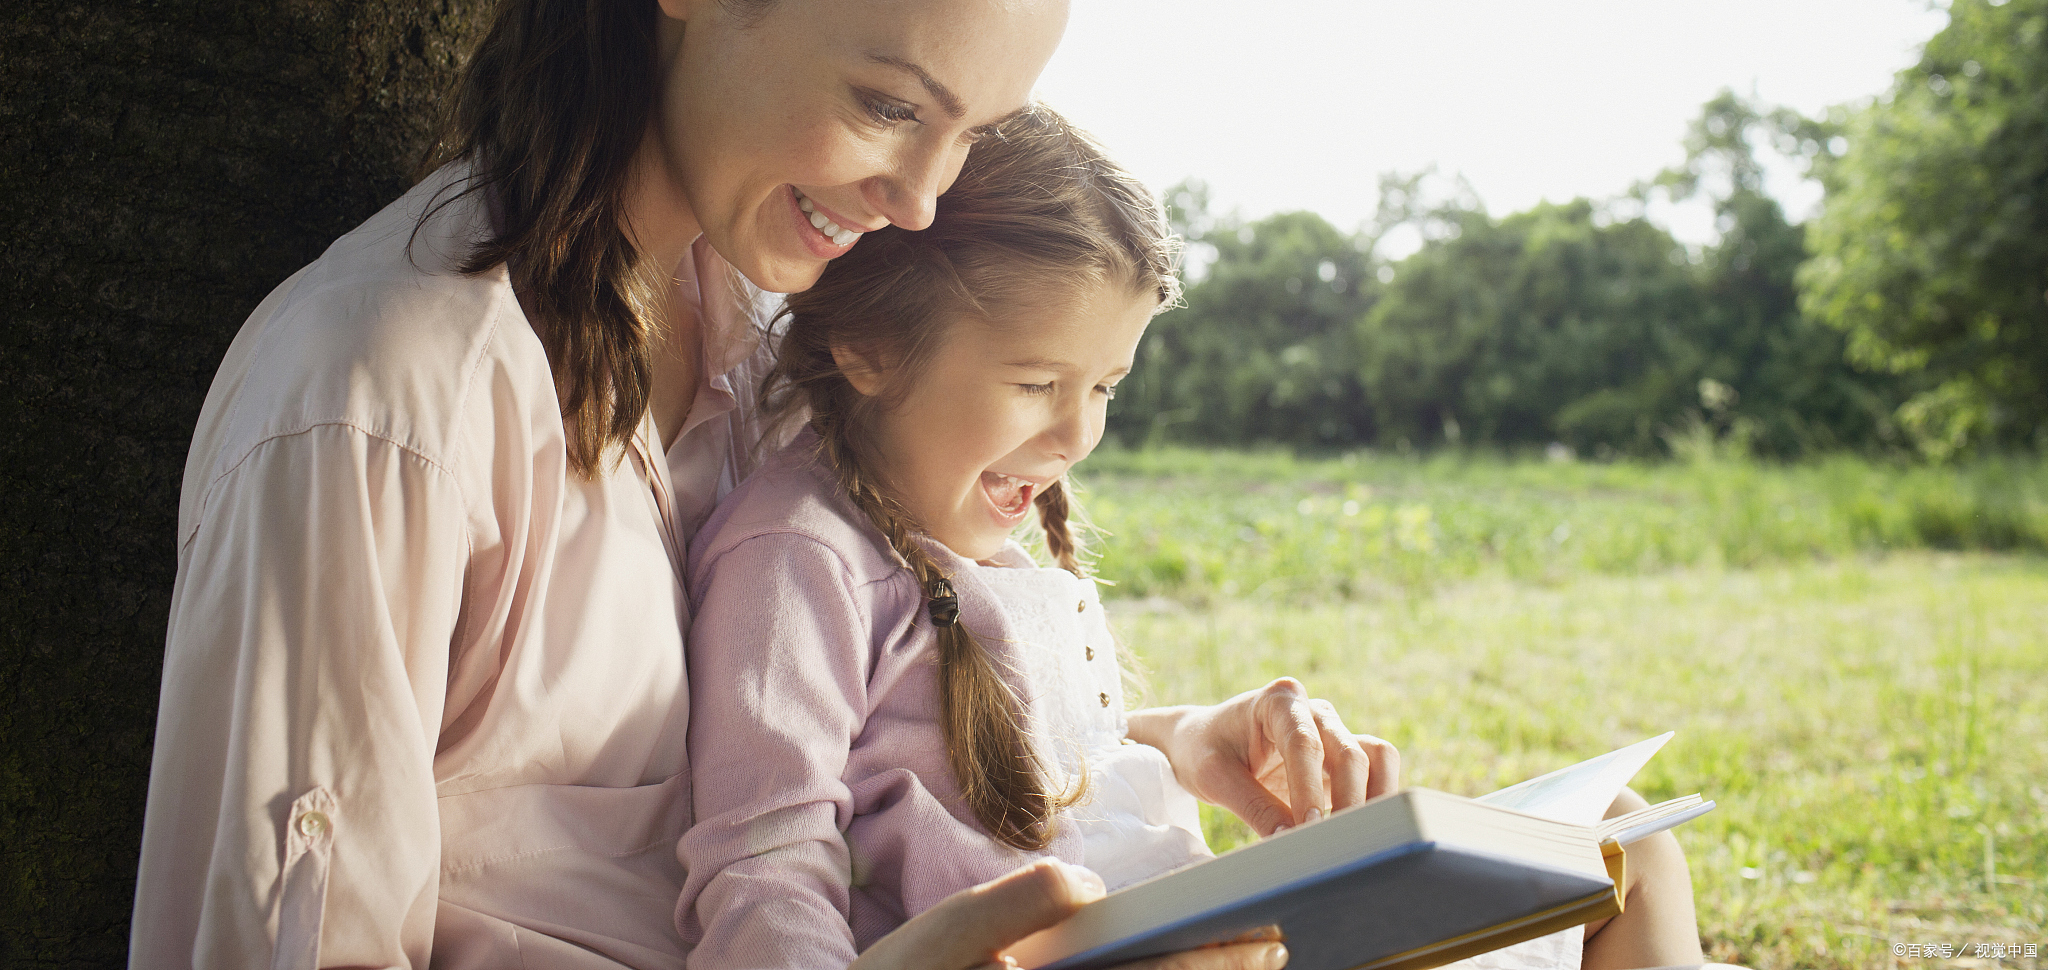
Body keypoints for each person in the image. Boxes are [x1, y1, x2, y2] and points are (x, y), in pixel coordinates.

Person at [128, 0, 1369, 969]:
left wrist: (1166, 746)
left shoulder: (785, 337)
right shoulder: (382, 399)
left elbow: (826, 736)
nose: (922, 200)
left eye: (972, 136)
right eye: (888, 104)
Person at [677, 110, 1705, 970]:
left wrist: (1183, 731)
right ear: (865, 344)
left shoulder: (965, 534)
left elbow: (999, 765)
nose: (1078, 434)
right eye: (1036, 384)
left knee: (1619, 834)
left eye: (1104, 388)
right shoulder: (798, 557)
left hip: (1214, 935)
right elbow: (763, 864)